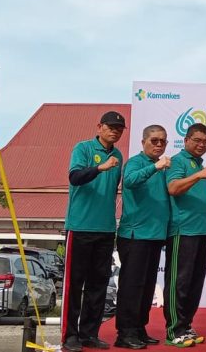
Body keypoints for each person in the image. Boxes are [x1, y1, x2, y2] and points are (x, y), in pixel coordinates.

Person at [62, 110, 125, 352]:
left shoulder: (118, 155)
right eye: (110, 126)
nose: (115, 131)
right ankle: (70, 335)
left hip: (106, 229)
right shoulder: (84, 149)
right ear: (99, 127)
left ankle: (90, 333)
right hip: (80, 227)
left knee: (98, 285)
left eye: (119, 128)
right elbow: (75, 177)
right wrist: (100, 168)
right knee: (75, 284)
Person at [115, 124, 173, 350]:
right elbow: (129, 181)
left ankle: (139, 327)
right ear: (143, 142)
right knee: (132, 285)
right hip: (135, 235)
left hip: (155, 236)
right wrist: (156, 167)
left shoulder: (163, 169)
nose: (159, 145)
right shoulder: (136, 163)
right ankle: (125, 333)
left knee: (147, 286)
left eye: (163, 141)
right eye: (155, 140)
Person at [165, 123, 206, 348]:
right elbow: (173, 188)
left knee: (195, 282)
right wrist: (199, 175)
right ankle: (173, 330)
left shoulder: (198, 164)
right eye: (197, 140)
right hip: (182, 231)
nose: (201, 145)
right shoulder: (179, 161)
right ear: (186, 140)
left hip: (201, 232)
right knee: (179, 282)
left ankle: (185, 326)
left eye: (205, 141)